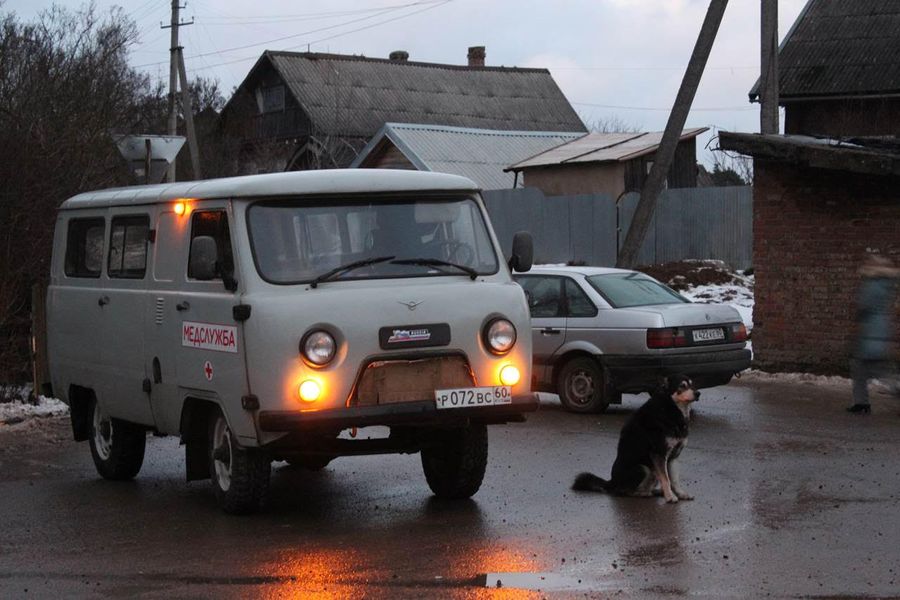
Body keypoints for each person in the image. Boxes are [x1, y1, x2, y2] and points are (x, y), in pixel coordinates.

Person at [848, 254, 900, 414]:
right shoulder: (885, 285)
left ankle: (862, 403)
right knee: (867, 370)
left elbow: (864, 307)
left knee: (871, 370)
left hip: (869, 333)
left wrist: (857, 324)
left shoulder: (872, 285)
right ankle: (861, 403)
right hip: (880, 330)